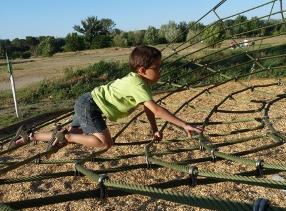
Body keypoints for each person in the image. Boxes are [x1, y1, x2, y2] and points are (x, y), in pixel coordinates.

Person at [10, 45, 203, 154]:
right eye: (157, 67)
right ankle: (65, 136)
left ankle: (27, 136)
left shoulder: (141, 83)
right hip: (90, 106)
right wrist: (184, 124)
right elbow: (158, 110)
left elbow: (149, 109)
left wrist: (154, 129)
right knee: (104, 143)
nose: (160, 71)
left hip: (88, 102)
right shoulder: (137, 84)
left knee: (78, 133)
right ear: (143, 70)